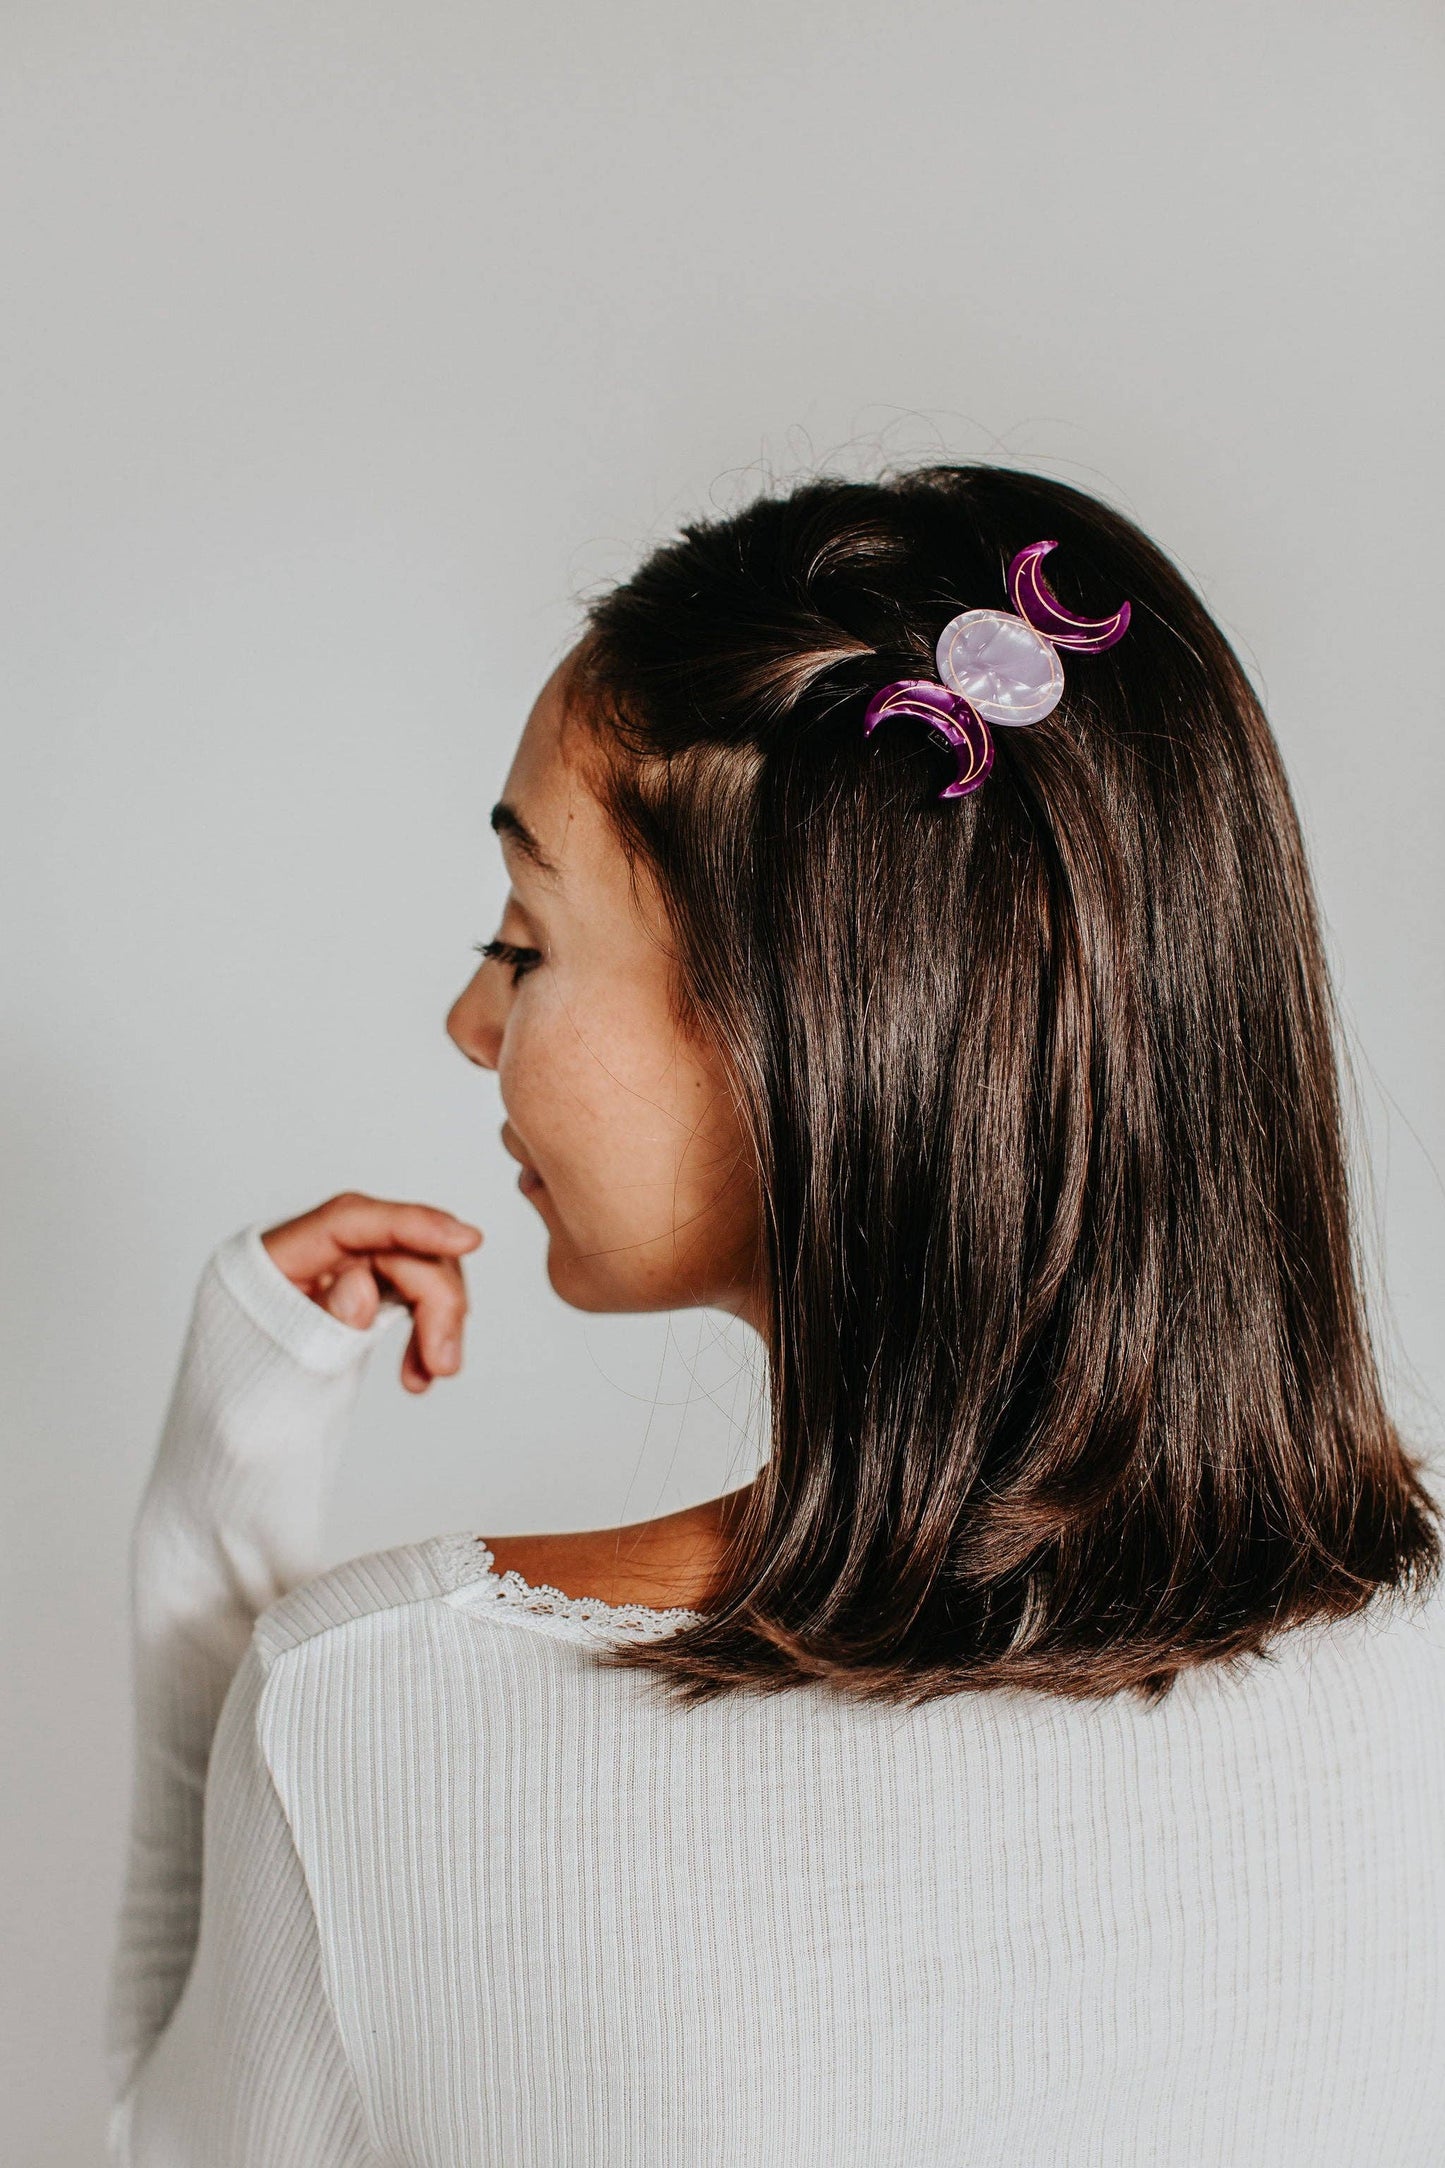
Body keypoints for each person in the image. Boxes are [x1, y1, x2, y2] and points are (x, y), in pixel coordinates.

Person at [106, 465, 1445, 2165]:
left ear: (807, 1018)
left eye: (521, 939)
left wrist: (213, 1539)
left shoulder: (392, 1716)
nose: (468, 1017)